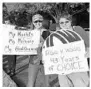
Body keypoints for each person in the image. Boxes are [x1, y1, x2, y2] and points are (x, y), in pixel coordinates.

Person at [56, 12, 89, 87]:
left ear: (70, 21)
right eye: (62, 23)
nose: (64, 24)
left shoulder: (78, 29)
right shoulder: (58, 34)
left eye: (66, 22)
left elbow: (88, 45)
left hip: (78, 67)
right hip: (63, 69)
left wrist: (86, 54)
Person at [27, 13, 50, 87]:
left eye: (40, 21)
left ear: (42, 21)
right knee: (31, 83)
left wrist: (43, 44)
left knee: (47, 84)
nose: (38, 23)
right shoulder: (29, 33)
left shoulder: (47, 32)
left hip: (45, 62)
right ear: (33, 23)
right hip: (33, 61)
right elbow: (25, 47)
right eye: (36, 21)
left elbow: (51, 46)